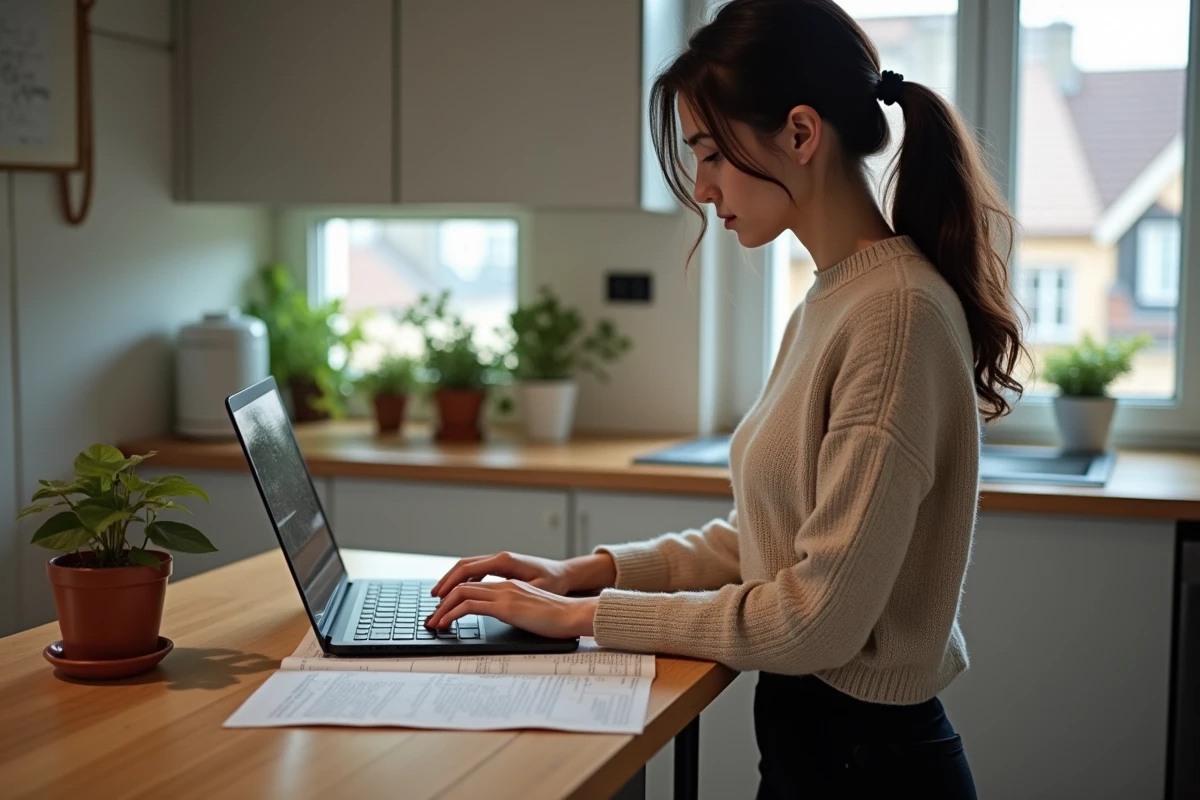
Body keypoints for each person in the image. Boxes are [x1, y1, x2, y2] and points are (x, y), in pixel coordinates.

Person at [424, 1, 1028, 796]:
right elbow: (764, 542)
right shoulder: (836, 299)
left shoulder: (896, 316)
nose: (703, 187)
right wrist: (581, 574)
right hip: (823, 749)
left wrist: (581, 619)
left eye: (711, 153)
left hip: (867, 767)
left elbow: (814, 618)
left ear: (802, 134)